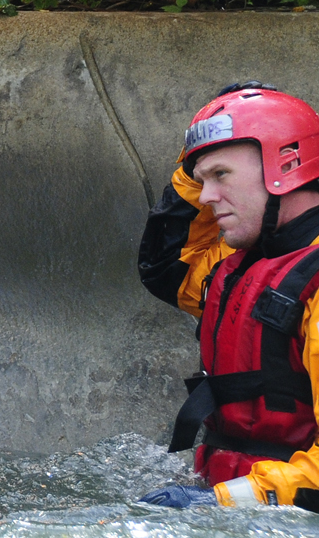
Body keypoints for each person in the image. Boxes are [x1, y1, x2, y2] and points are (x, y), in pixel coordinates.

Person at [137, 84, 319, 511]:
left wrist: (217, 501)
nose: (205, 198)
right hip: (247, 517)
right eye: (200, 181)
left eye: (221, 175)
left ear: (288, 163)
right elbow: (167, 267)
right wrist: (193, 158)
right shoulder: (239, 266)